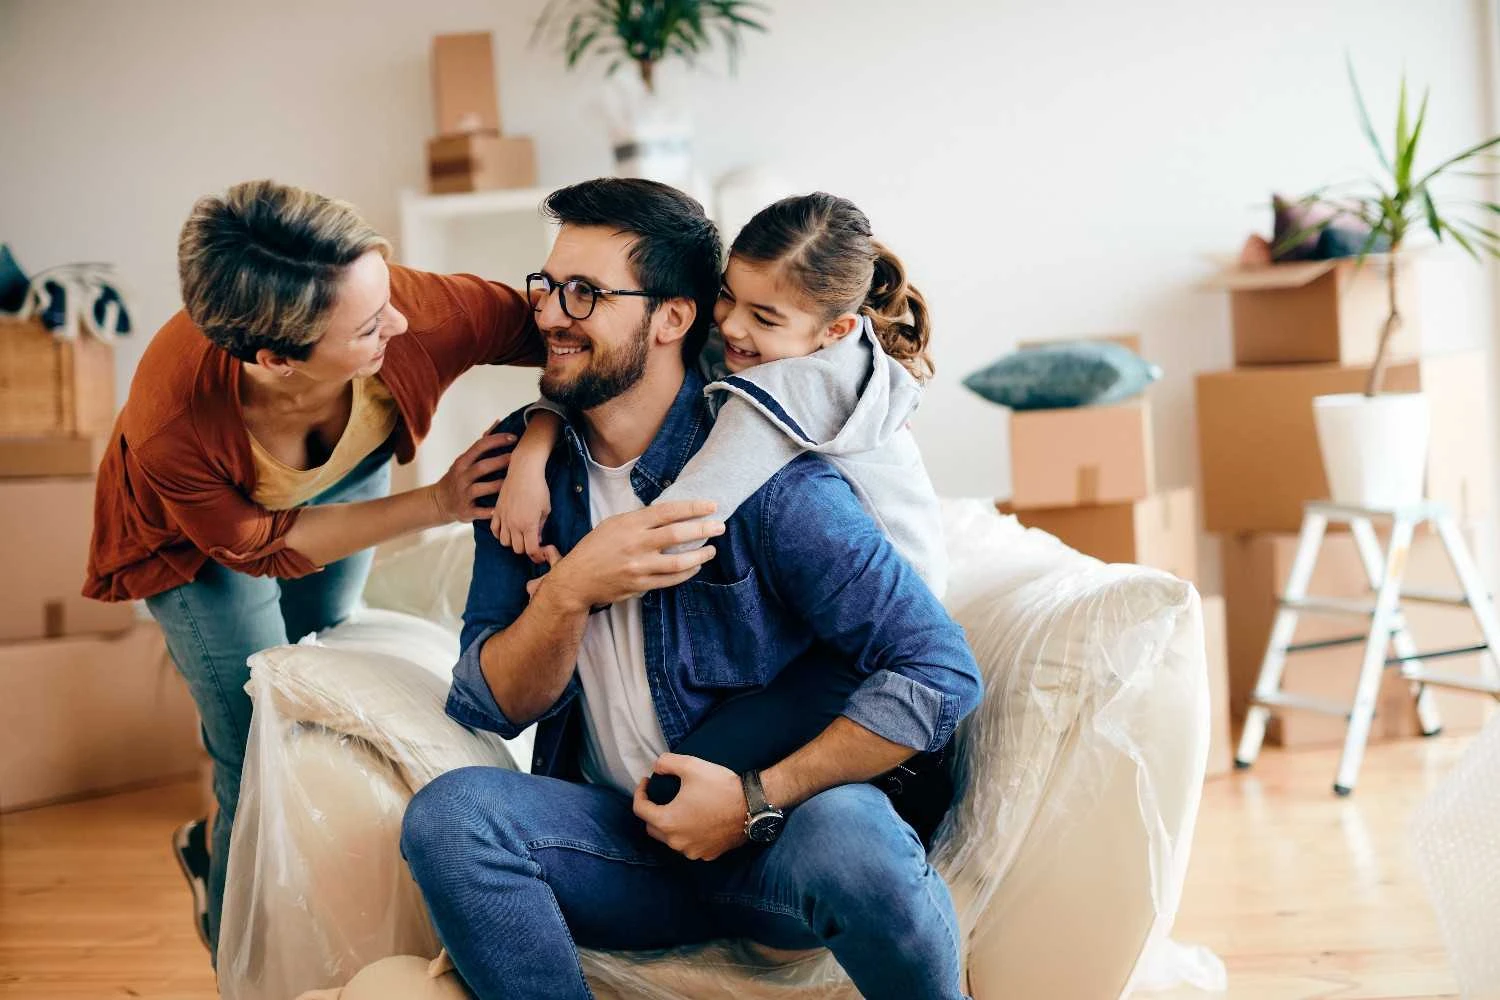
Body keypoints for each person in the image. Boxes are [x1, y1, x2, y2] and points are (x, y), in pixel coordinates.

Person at [399, 177, 982, 1000]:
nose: (550, 313)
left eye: (585, 293)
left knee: (850, 833)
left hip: (781, 841)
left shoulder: (767, 472)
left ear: (674, 318)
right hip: (625, 844)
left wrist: (751, 802)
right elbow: (493, 706)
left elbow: (941, 671)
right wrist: (569, 590)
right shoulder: (524, 478)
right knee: (454, 817)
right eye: (547, 286)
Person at [82, 179, 541, 958]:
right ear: (273, 360)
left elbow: (573, 344)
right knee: (255, 736)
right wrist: (438, 502)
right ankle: (241, 957)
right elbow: (258, 547)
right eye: (369, 327)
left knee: (323, 647)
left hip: (340, 471)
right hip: (195, 545)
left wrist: (537, 439)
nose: (400, 319)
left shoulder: (411, 307)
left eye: (387, 286)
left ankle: (248, 859)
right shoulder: (174, 422)